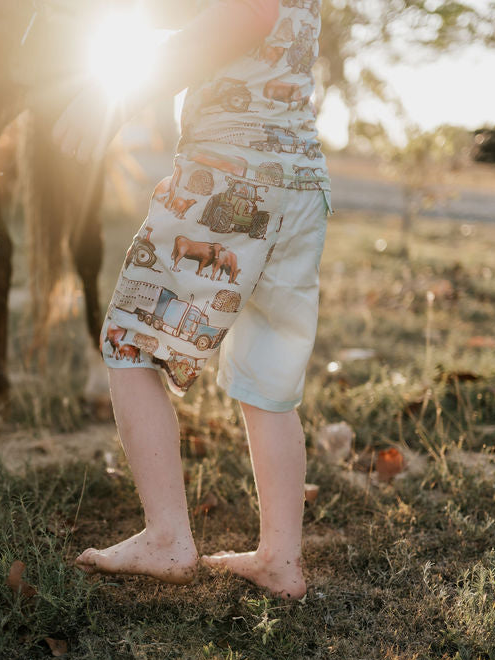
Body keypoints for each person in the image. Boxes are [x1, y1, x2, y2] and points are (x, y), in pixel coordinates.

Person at [53, 0, 331, 600]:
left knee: (129, 342)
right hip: (303, 182)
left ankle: (167, 537)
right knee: (269, 378)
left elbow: (245, 15)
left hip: (229, 176)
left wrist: (117, 95)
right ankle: (280, 559)